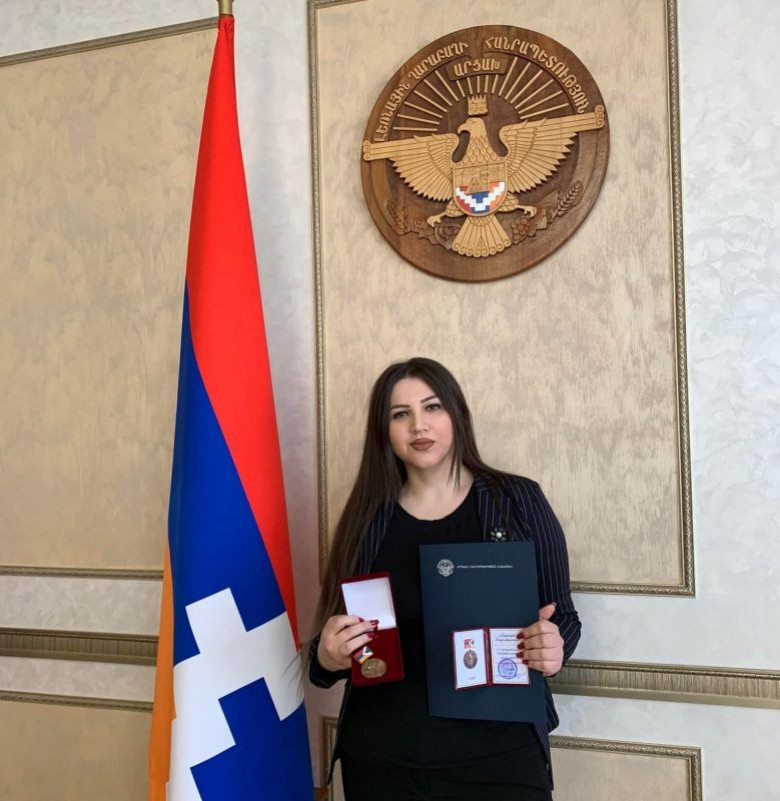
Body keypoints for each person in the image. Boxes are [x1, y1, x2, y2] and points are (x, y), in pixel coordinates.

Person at [308, 357, 580, 801]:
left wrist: (554, 646)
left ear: (457, 414)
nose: (419, 425)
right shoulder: (364, 518)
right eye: (400, 414)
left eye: (432, 407)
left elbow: (563, 616)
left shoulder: (517, 501)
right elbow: (331, 646)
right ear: (384, 431)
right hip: (380, 759)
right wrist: (326, 655)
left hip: (500, 756)